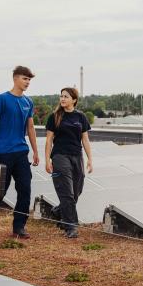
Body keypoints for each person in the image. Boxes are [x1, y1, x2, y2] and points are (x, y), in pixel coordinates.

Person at [0, 66, 40, 239]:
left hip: (21, 152)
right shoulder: (2, 99)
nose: (27, 82)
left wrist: (36, 152)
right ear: (15, 79)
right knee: (0, 191)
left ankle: (19, 227)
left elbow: (30, 127)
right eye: (25, 79)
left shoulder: (28, 102)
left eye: (29, 80)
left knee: (25, 190)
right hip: (3, 153)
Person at [45, 87, 93, 238]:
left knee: (77, 190)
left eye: (66, 96)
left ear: (74, 100)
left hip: (77, 156)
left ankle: (59, 211)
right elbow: (49, 140)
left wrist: (90, 159)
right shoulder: (55, 116)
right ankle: (71, 227)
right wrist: (47, 159)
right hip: (60, 156)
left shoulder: (81, 117)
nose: (63, 99)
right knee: (66, 192)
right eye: (61, 96)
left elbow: (85, 139)